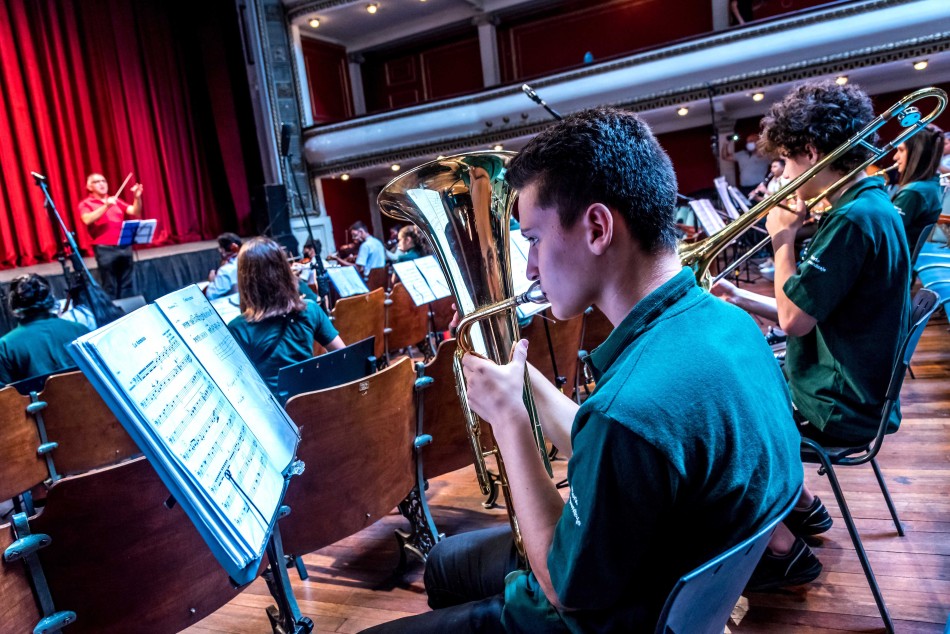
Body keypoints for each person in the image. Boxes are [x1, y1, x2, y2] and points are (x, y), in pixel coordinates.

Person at [363, 108, 802, 633]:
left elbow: (562, 587)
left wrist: (509, 421)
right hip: (667, 576)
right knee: (444, 564)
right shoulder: (731, 324)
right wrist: (514, 373)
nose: (527, 266)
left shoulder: (629, 412)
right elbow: (622, 447)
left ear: (597, 227)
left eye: (532, 239)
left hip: (603, 615)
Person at [712, 80, 911, 585]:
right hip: (848, 385)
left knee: (718, 418)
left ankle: (781, 548)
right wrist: (742, 297)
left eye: (785, 163)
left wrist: (782, 240)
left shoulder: (853, 219)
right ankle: (803, 504)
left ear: (813, 152)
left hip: (838, 404)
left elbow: (794, 320)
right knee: (738, 381)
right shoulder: (871, 205)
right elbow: (812, 310)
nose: (782, 175)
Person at [227, 237, 345, 394]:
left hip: (274, 415)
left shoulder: (238, 328)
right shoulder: (310, 309)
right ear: (284, 269)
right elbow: (343, 355)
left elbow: (238, 387)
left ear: (245, 279)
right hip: (315, 403)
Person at [0, 274, 90, 385]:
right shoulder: (80, 330)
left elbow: (5, 395)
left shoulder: (5, 346)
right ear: (51, 297)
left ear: (13, 303)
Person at [78, 173, 144, 299]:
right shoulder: (86, 204)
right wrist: (106, 206)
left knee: (127, 284)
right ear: (89, 187)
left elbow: (135, 211)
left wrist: (137, 198)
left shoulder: (115, 200)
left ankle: (128, 311)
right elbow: (87, 219)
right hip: (104, 249)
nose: (102, 183)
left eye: (103, 180)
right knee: (109, 285)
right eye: (97, 182)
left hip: (124, 246)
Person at [891, 124, 945, 256]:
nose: (895, 157)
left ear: (917, 154)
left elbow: (886, 235)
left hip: (891, 268)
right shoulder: (931, 185)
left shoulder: (914, 192)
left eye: (901, 150)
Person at [205, 233, 242, 300]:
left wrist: (212, 281)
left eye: (220, 247)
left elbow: (211, 295)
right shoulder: (247, 262)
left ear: (223, 250)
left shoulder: (225, 270)